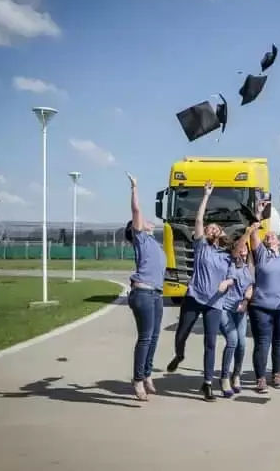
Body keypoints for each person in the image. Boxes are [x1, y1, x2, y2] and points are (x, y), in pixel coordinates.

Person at [166, 181, 231, 401]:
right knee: (182, 332)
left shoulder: (226, 255)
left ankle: (207, 383)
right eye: (209, 228)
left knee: (210, 342)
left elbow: (234, 275)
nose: (211, 229)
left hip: (214, 302)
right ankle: (179, 354)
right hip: (194, 297)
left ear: (221, 234)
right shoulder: (201, 246)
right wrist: (206, 195)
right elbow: (199, 220)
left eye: (216, 228)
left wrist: (228, 283)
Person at [248, 199, 280, 393]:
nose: (269, 236)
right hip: (261, 306)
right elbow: (253, 233)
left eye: (272, 236)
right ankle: (260, 378)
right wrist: (258, 214)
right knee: (263, 342)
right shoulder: (261, 254)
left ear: (279, 241)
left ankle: (277, 375)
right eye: (267, 235)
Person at [124, 172, 165, 401]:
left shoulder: (153, 243)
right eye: (141, 222)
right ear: (135, 229)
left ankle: (147, 373)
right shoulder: (140, 238)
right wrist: (134, 188)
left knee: (155, 336)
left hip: (156, 295)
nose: (147, 220)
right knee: (146, 337)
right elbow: (137, 211)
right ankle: (138, 379)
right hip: (143, 293)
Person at [216, 230, 255, 397]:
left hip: (240, 310)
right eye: (240, 247)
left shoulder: (249, 268)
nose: (243, 249)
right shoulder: (229, 262)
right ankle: (224, 377)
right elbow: (230, 279)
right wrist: (226, 283)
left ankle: (236, 374)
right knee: (232, 340)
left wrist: (246, 302)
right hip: (225, 308)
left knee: (242, 344)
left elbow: (250, 287)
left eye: (245, 247)